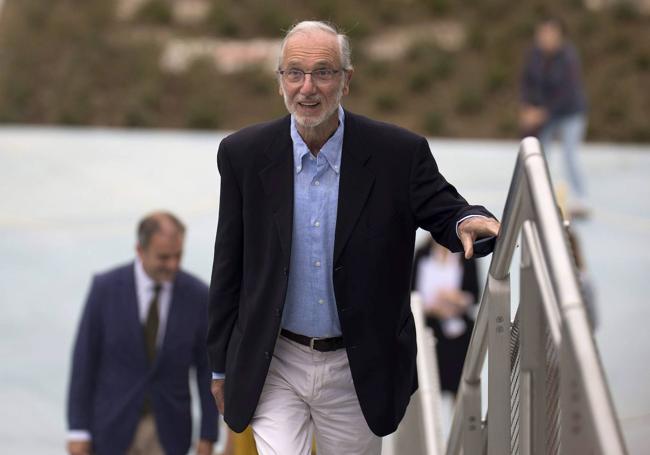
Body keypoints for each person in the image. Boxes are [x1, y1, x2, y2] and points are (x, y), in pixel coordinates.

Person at [207, 20, 500, 455]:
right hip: (275, 361)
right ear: (279, 82)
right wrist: (218, 368)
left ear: (346, 81)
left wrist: (468, 221)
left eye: (323, 72)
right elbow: (228, 263)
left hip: (357, 365)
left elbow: (447, 210)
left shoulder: (397, 154)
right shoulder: (243, 154)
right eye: (294, 73)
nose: (307, 88)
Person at [67, 211, 219, 455]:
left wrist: (208, 435)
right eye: (163, 257)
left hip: (170, 434)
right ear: (140, 250)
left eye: (178, 255)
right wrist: (78, 430)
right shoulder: (104, 289)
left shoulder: (199, 296)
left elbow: (207, 370)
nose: (173, 265)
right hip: (111, 430)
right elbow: (84, 362)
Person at [520, 17, 590, 218]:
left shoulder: (569, 57)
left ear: (559, 36)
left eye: (550, 34)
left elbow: (567, 92)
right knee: (538, 153)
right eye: (542, 33)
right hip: (544, 114)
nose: (545, 38)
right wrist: (527, 107)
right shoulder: (533, 55)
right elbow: (526, 82)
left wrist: (542, 113)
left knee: (570, 154)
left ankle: (581, 198)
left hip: (570, 113)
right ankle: (537, 196)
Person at [411, 239, 479, 395]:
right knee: (427, 389)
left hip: (458, 334)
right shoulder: (422, 253)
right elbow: (411, 295)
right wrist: (434, 308)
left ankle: (463, 419)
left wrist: (454, 299)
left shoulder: (466, 254)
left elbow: (474, 295)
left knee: (461, 388)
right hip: (428, 332)